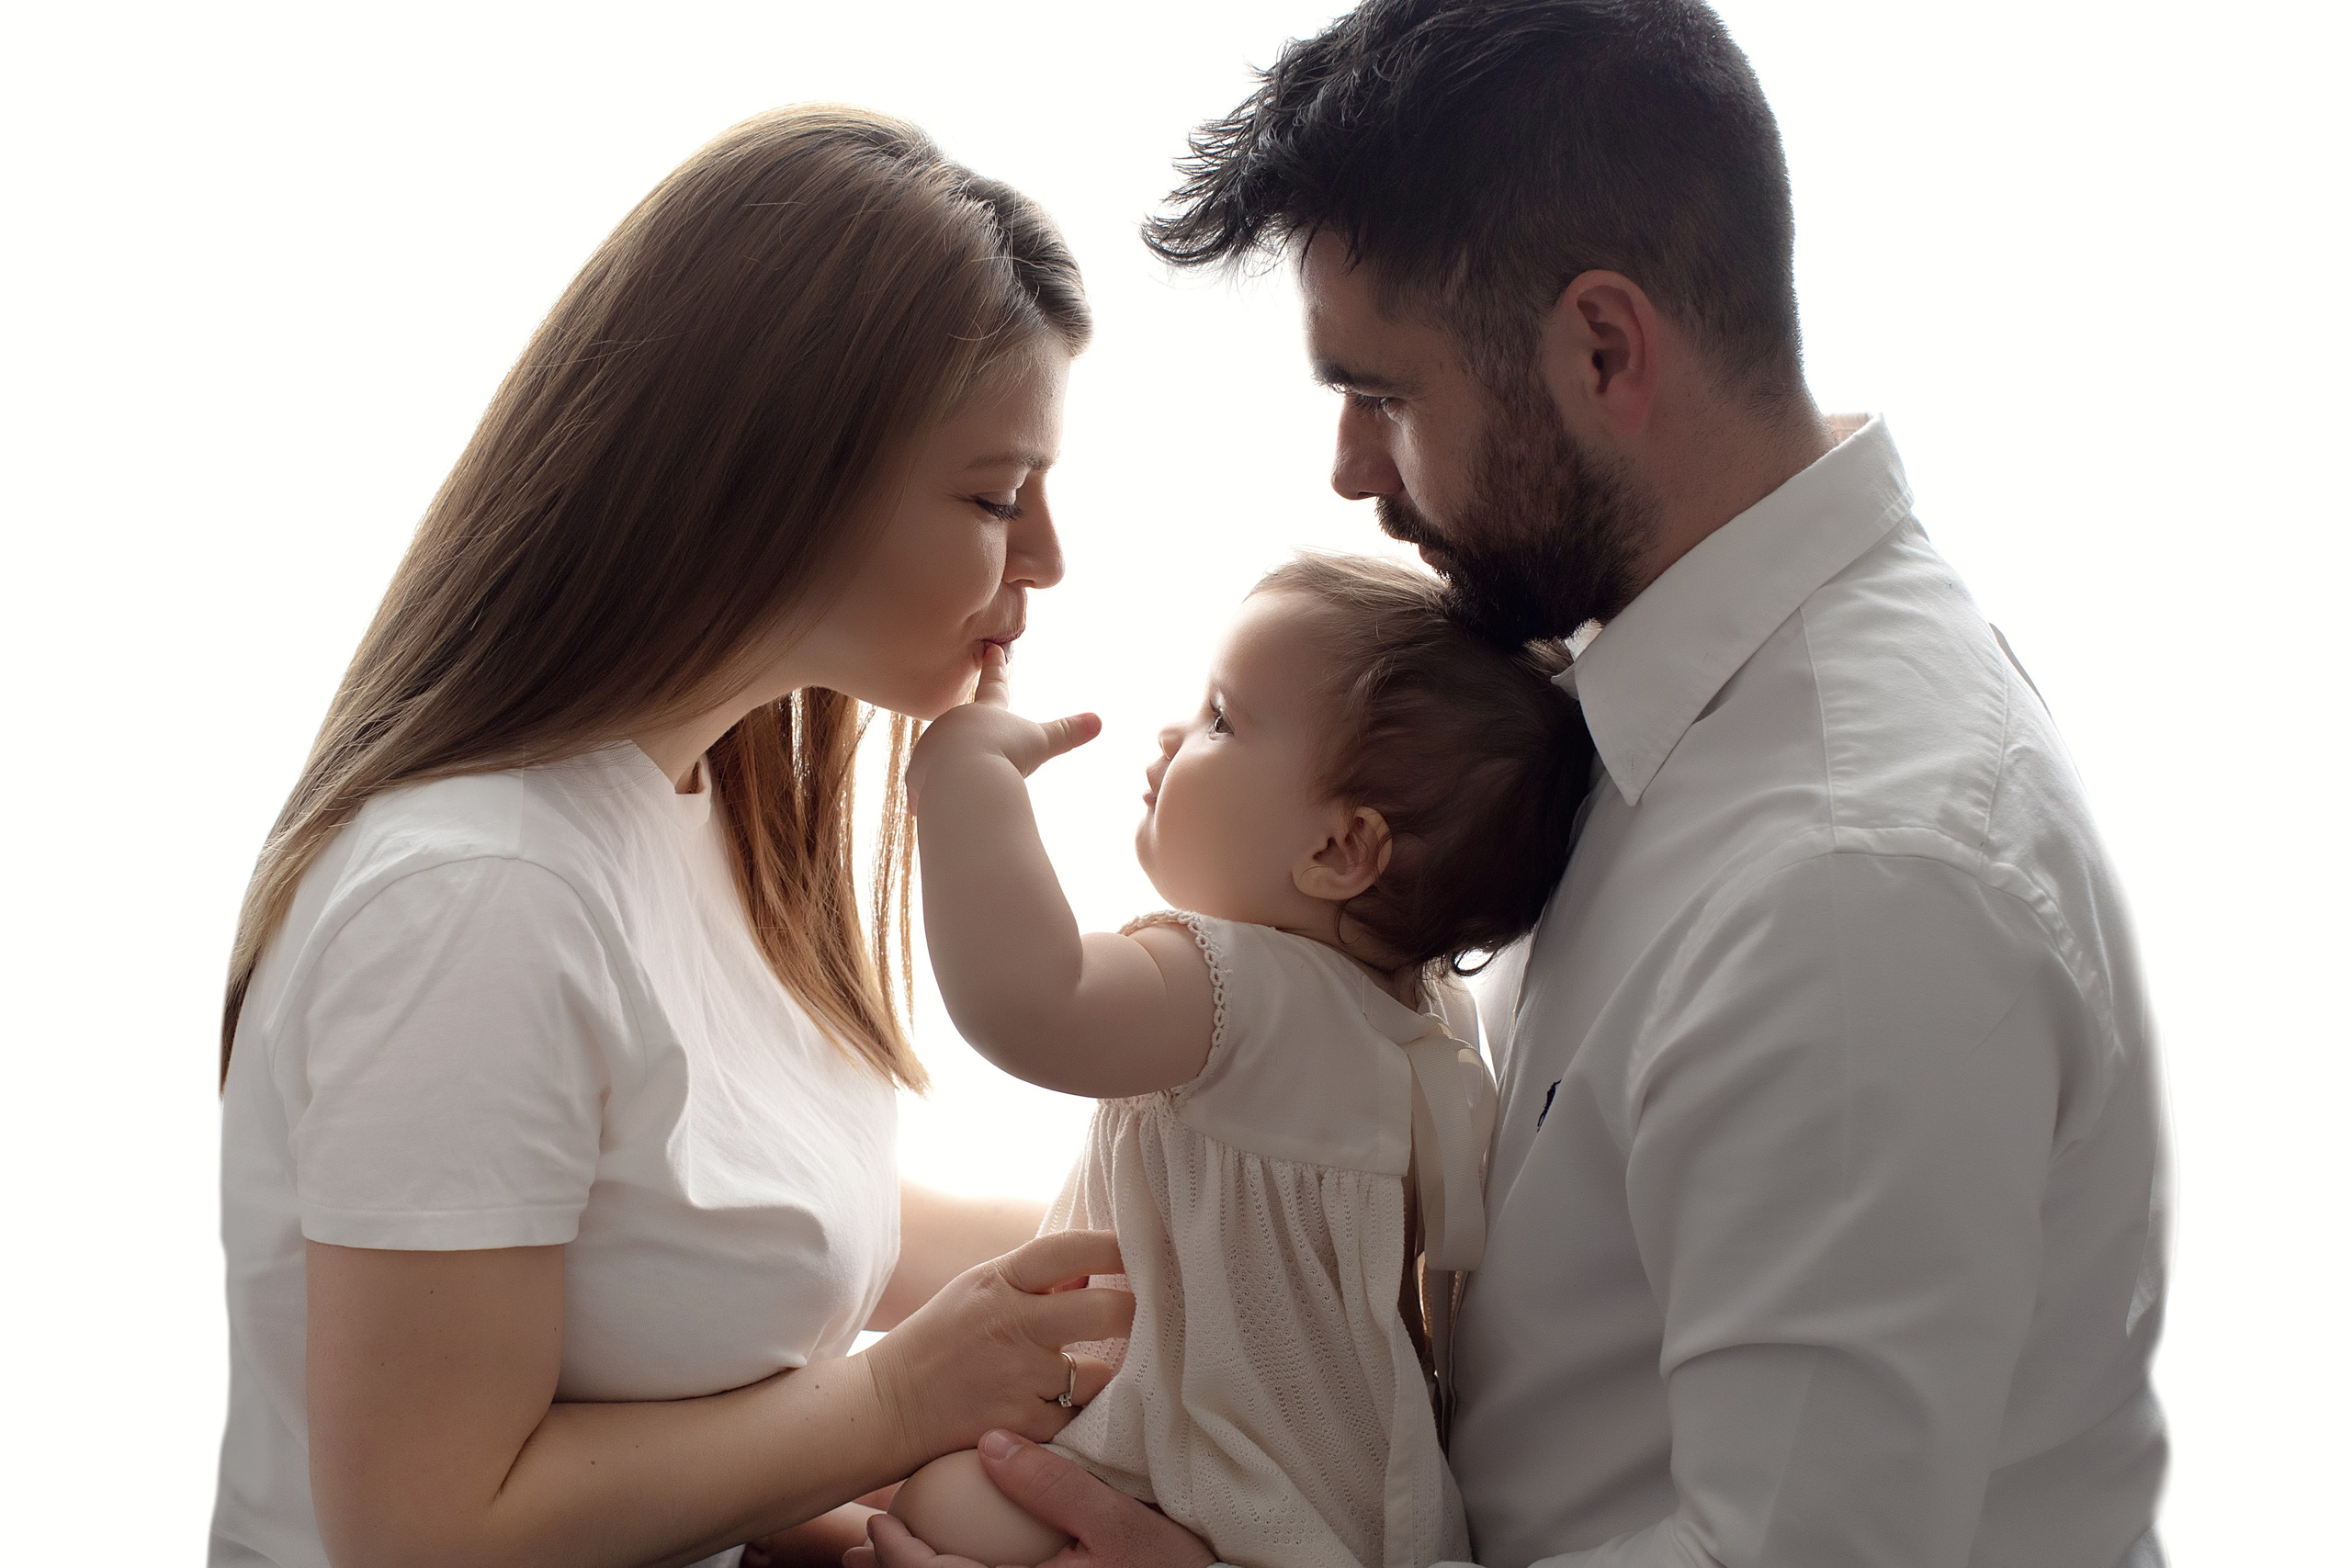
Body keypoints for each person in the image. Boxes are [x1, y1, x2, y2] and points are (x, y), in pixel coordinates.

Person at [856, 2, 2170, 1565]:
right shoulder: (1631, 700)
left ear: (1604, 348)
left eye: (1385, 395)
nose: (1351, 469)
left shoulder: (1853, 877)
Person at [209, 106, 1136, 1568]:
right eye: (997, 494)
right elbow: (424, 1528)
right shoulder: (483, 897)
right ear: (775, 469)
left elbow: (763, 1221)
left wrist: (1206, 1230)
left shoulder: (710, 809)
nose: (1050, 559)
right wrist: (896, 1395)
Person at [885, 556, 1590, 1567]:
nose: (1175, 735)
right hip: (1329, 1492)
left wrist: (966, 780)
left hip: (1201, 1485)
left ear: (1341, 852)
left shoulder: (1235, 990)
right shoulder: (1418, 1020)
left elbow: (1028, 1004)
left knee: (948, 1494)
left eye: (1222, 720)